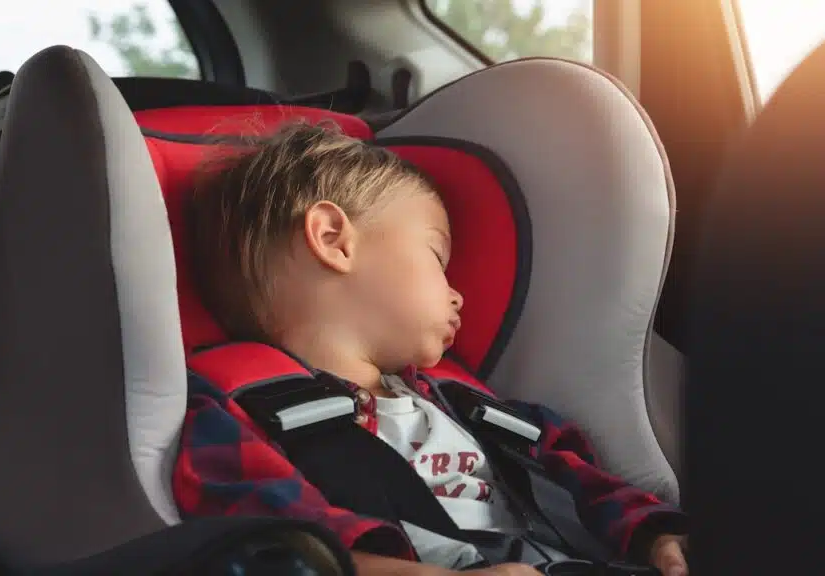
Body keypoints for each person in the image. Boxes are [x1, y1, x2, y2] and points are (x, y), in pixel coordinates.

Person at [175, 121, 689, 576]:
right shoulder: (236, 415)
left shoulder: (469, 406)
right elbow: (266, 548)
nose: (457, 292)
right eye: (437, 257)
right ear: (333, 238)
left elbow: (580, 480)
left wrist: (658, 535)